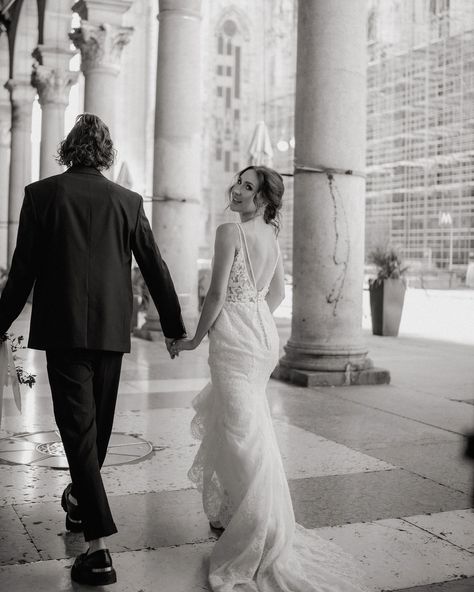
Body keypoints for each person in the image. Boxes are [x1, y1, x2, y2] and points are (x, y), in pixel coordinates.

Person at [0, 113, 186, 586]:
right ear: (105, 155)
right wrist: (172, 326)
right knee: (95, 429)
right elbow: (155, 265)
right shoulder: (125, 200)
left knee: (83, 432)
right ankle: (91, 531)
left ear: (67, 149)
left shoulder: (40, 195)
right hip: (109, 330)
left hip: (62, 330)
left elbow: (21, 272)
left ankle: (93, 535)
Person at [171, 166, 366, 591]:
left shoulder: (229, 232)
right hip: (260, 338)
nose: (237, 191)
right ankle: (236, 510)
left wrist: (193, 340)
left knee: (244, 435)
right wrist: (252, 313)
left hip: (235, 341)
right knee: (245, 425)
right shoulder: (271, 238)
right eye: (239, 183)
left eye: (249, 187)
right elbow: (275, 294)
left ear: (264, 200)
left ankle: (260, 527)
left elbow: (217, 294)